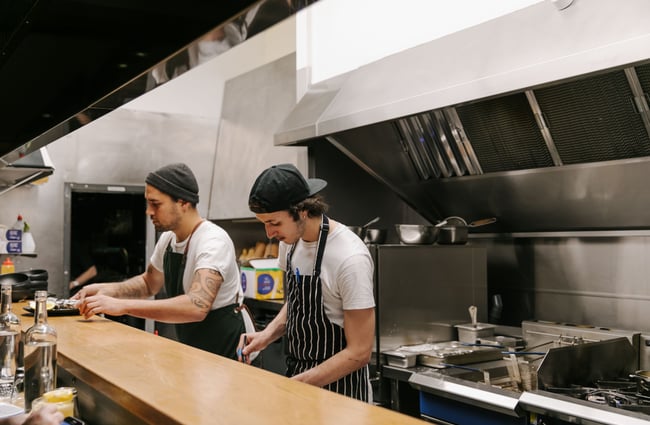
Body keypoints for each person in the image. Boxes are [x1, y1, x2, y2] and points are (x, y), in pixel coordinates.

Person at [73, 163, 245, 359]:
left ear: (183, 203)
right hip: (197, 353)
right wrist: (106, 290)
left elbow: (197, 306)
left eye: (156, 204)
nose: (148, 211)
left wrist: (121, 305)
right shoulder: (169, 239)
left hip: (227, 355)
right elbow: (149, 284)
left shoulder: (212, 241)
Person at [239, 163, 375, 402]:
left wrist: (295, 384)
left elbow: (360, 352)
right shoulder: (290, 244)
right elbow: (297, 301)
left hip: (341, 393)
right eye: (264, 223)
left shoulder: (350, 258)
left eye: (275, 223)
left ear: (302, 211)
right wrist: (267, 334)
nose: (269, 233)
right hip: (300, 380)